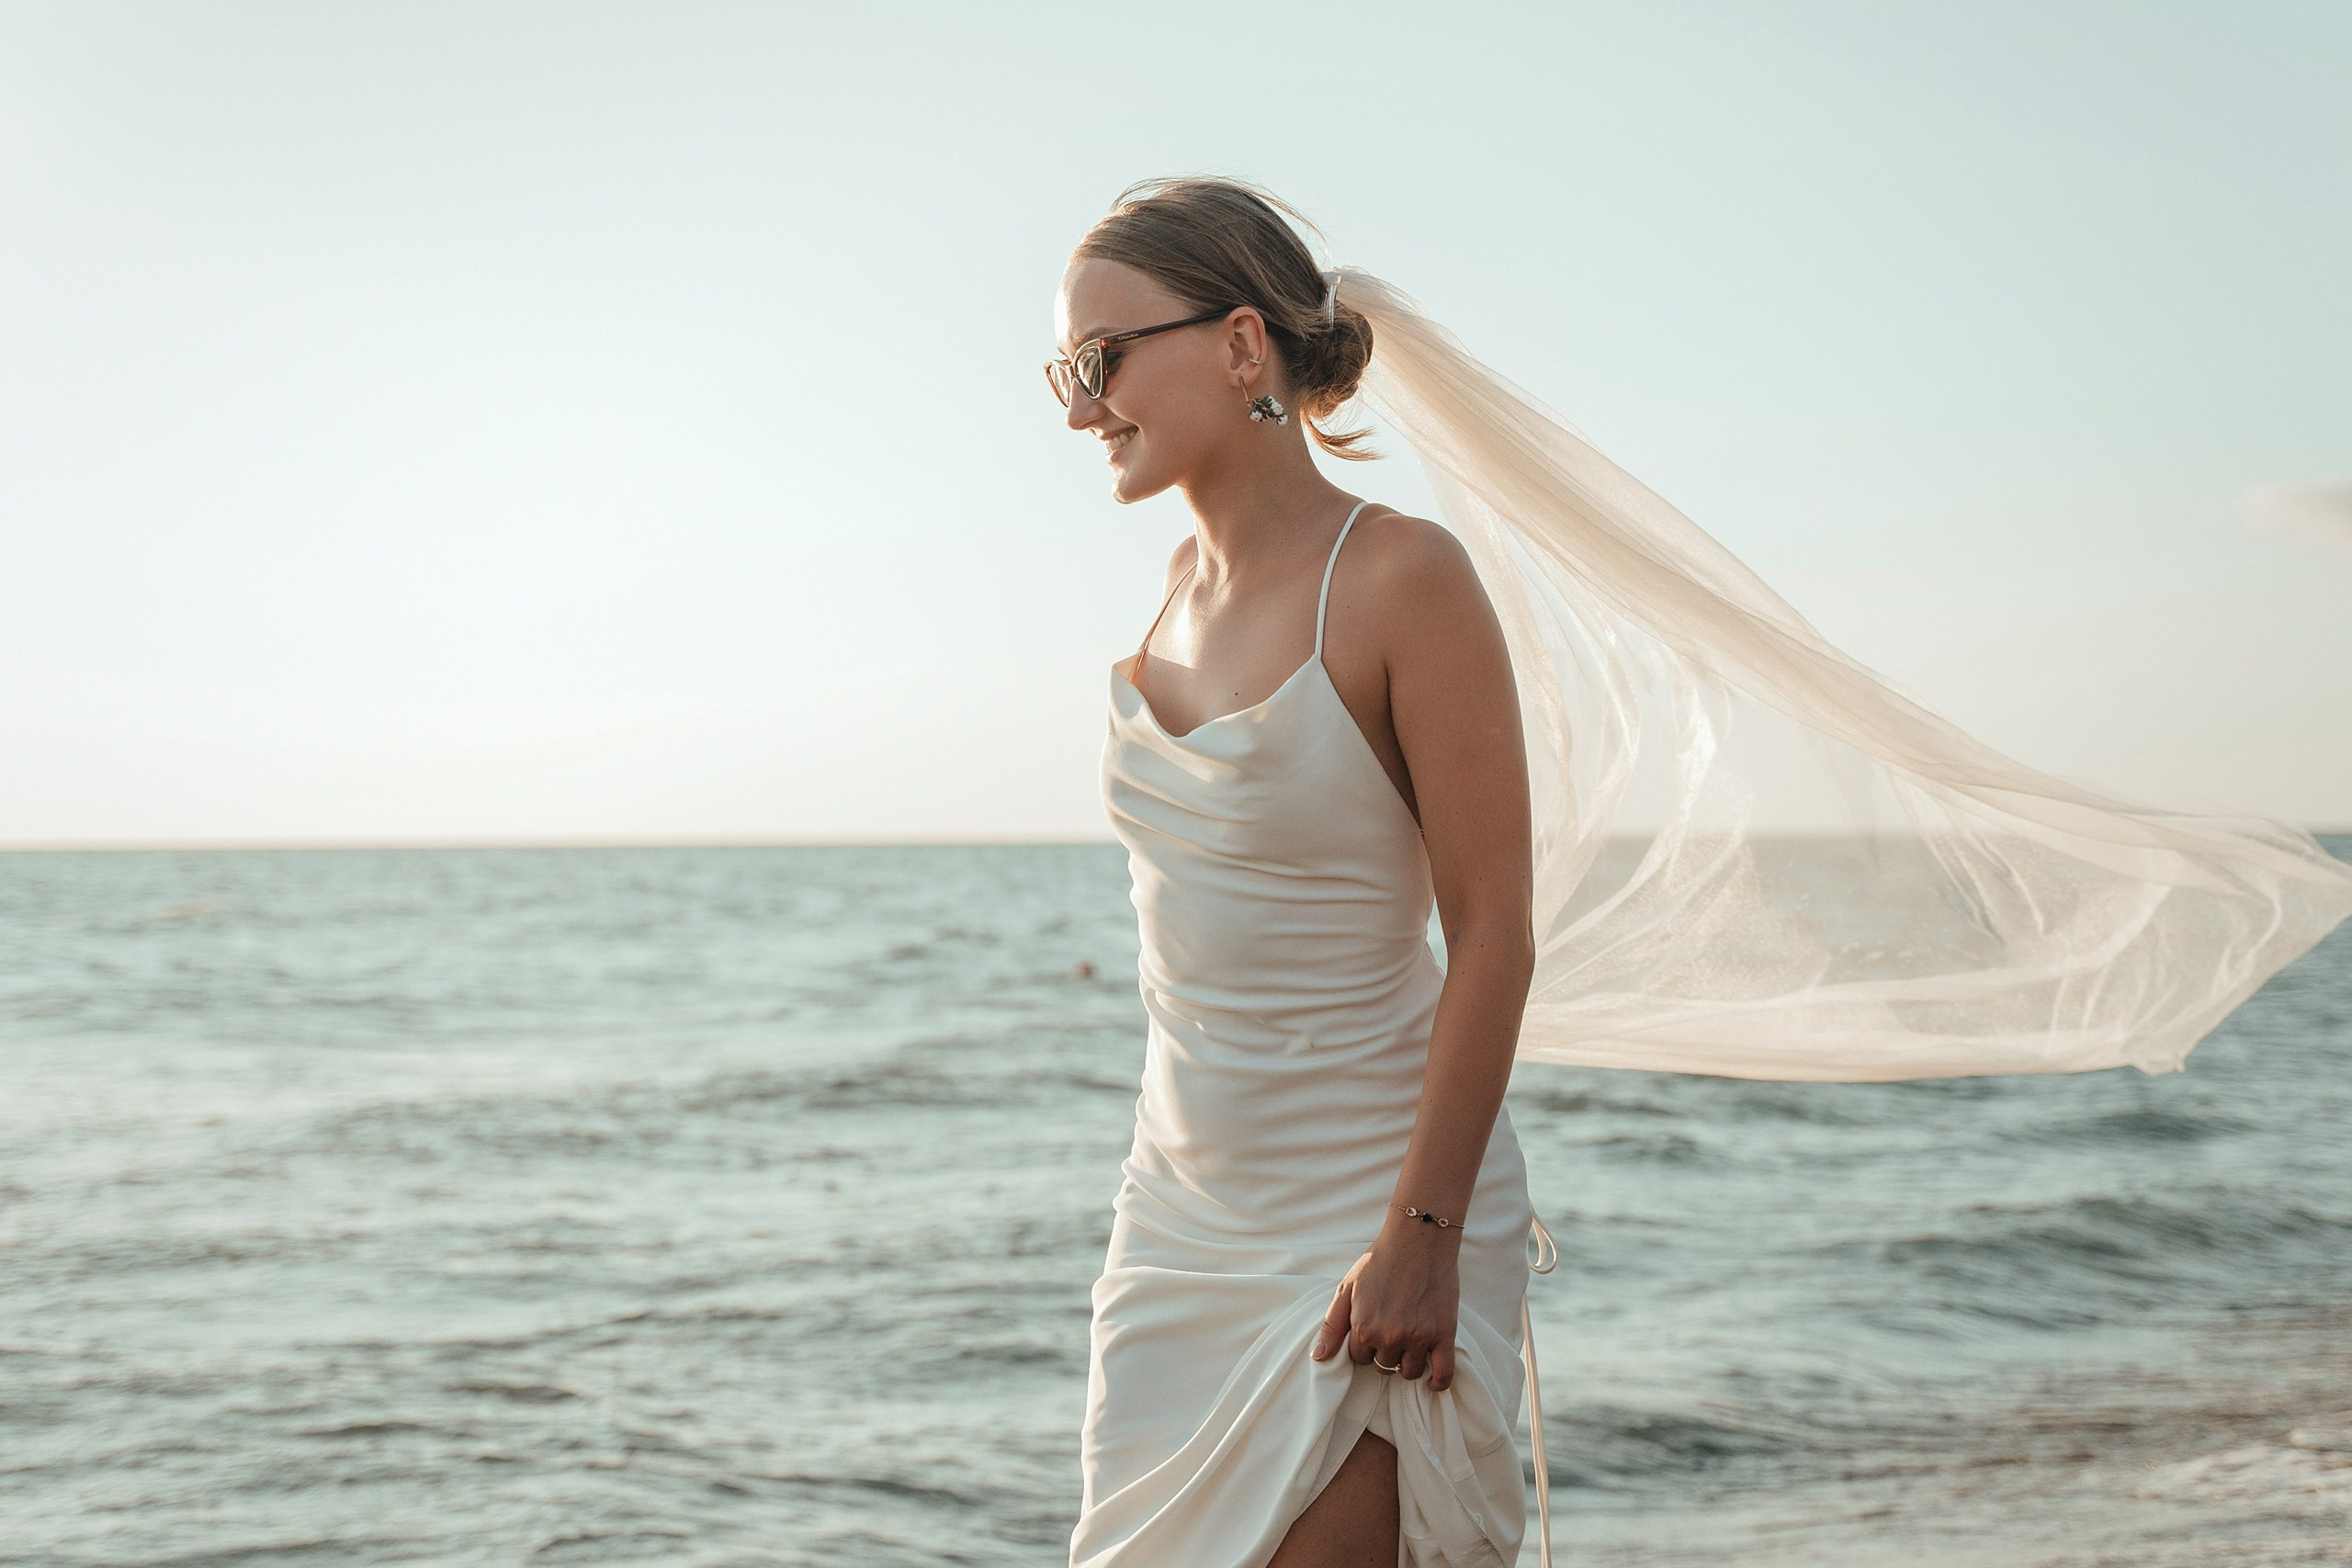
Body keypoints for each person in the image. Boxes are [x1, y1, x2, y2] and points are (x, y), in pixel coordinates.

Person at [1048, 176, 2352, 1567]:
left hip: (1369, 1201)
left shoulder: (1396, 581)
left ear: (1243, 344)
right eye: (1063, 370)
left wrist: (1421, 1232)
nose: (1077, 405)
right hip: (1177, 1226)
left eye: (1101, 358)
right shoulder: (1163, 608)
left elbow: (1495, 932)